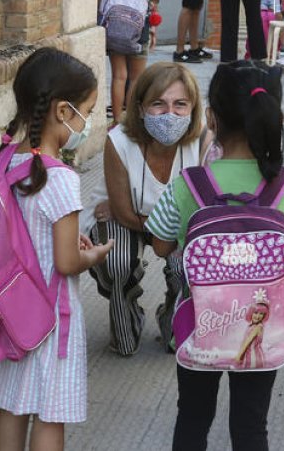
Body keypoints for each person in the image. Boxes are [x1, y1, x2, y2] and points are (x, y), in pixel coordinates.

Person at [147, 60, 284, 451]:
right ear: (276, 116)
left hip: (200, 327)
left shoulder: (190, 184)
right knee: (250, 425)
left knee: (192, 417)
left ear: (210, 117)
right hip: (263, 332)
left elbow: (160, 245)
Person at [0, 47, 115, 451]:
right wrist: (92, 255)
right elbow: (65, 261)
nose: (88, 121)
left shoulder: (7, 158)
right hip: (50, 317)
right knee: (50, 413)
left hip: (10, 310)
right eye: (88, 110)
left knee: (13, 406)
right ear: (63, 112)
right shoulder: (59, 178)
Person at [87, 62, 208, 356]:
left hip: (156, 224)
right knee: (116, 262)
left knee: (187, 265)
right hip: (131, 226)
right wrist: (130, 213)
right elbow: (123, 214)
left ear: (193, 108)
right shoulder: (119, 141)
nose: (170, 114)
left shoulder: (203, 140)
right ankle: (129, 314)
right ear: (140, 108)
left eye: (180, 104)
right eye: (158, 104)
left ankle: (171, 313)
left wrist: (130, 212)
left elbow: (203, 215)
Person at [99, 0, 159, 122]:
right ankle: (131, 121)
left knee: (119, 76)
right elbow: (152, 7)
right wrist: (153, 31)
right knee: (136, 78)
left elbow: (98, 1)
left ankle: (117, 121)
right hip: (139, 31)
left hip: (115, 29)